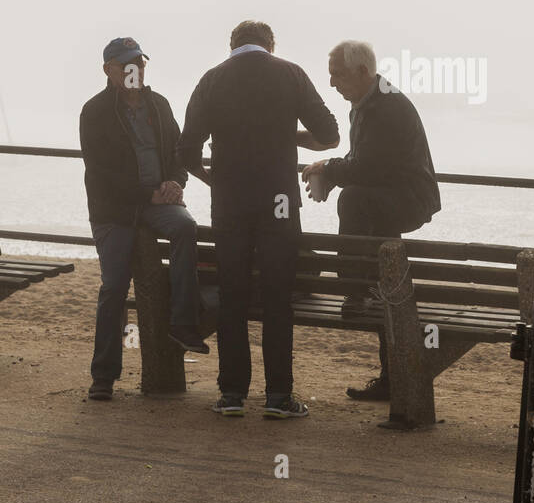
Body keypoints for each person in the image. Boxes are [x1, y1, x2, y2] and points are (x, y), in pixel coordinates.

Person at [179, 21, 339, 418]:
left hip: (230, 201)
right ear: (270, 45)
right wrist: (289, 135)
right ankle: (278, 397)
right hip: (279, 201)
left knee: (232, 295)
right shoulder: (291, 74)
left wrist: (210, 178)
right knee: (277, 298)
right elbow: (331, 135)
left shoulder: (211, 80)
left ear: (232, 44)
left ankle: (232, 394)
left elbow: (186, 150)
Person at [302, 40, 440, 402]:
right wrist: (331, 173)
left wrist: (328, 170)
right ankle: (391, 377)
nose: (332, 83)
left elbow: (370, 167)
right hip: (391, 198)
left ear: (362, 71)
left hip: (407, 198)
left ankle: (353, 289)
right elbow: (364, 160)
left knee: (354, 199)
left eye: (338, 75)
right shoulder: (368, 102)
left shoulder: (385, 107)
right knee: (387, 282)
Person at [80, 37, 207, 402]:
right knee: (114, 287)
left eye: (139, 62)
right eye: (126, 64)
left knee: (186, 227)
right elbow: (100, 173)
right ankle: (103, 377)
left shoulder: (160, 104)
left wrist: (175, 183)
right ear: (109, 70)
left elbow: (180, 154)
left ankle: (183, 324)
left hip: (156, 201)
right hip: (115, 210)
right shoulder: (95, 111)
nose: (135, 69)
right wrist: (146, 194)